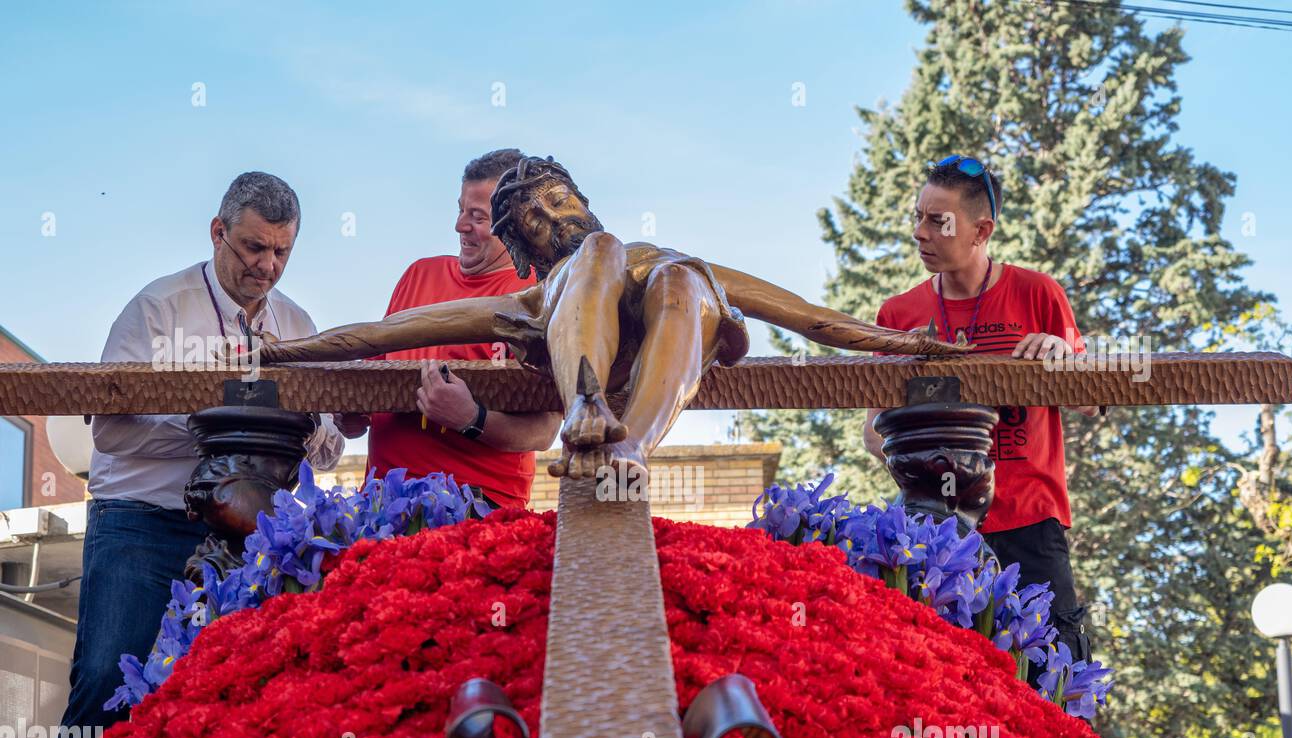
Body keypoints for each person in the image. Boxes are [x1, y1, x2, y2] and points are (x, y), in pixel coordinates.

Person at [264, 155, 961, 483]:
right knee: (602, 253)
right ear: (524, 249)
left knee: (684, 272)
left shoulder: (660, 261)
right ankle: (587, 407)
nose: (551, 219)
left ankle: (628, 446)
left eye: (557, 200)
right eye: (532, 221)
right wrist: (281, 355)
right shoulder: (526, 298)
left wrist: (913, 346)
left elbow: (806, 316)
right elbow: (373, 337)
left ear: (581, 193)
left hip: (670, 344)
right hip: (573, 373)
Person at [29, 172, 343, 738]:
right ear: (216, 232)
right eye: (254, 247)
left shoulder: (297, 324)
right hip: (142, 525)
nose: (266, 266)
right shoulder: (156, 308)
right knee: (108, 681)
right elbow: (109, 428)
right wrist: (216, 431)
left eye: (282, 253)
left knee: (231, 703)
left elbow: (325, 448)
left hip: (251, 538)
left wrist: (320, 424)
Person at [862, 156, 1097, 665]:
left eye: (937, 221)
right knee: (937, 675)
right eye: (918, 216)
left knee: (1050, 677)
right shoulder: (897, 316)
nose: (919, 232)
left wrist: (1060, 364)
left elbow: (1092, 401)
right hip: (935, 530)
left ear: (981, 230)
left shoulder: (1038, 294)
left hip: (1030, 525)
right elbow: (875, 433)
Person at [334, 149, 562, 509]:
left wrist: (472, 419)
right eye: (460, 210)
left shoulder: (539, 296)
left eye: (477, 217)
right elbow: (372, 376)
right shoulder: (417, 275)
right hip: (380, 507)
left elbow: (545, 430)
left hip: (477, 508)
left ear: (516, 222)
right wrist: (353, 415)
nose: (460, 226)